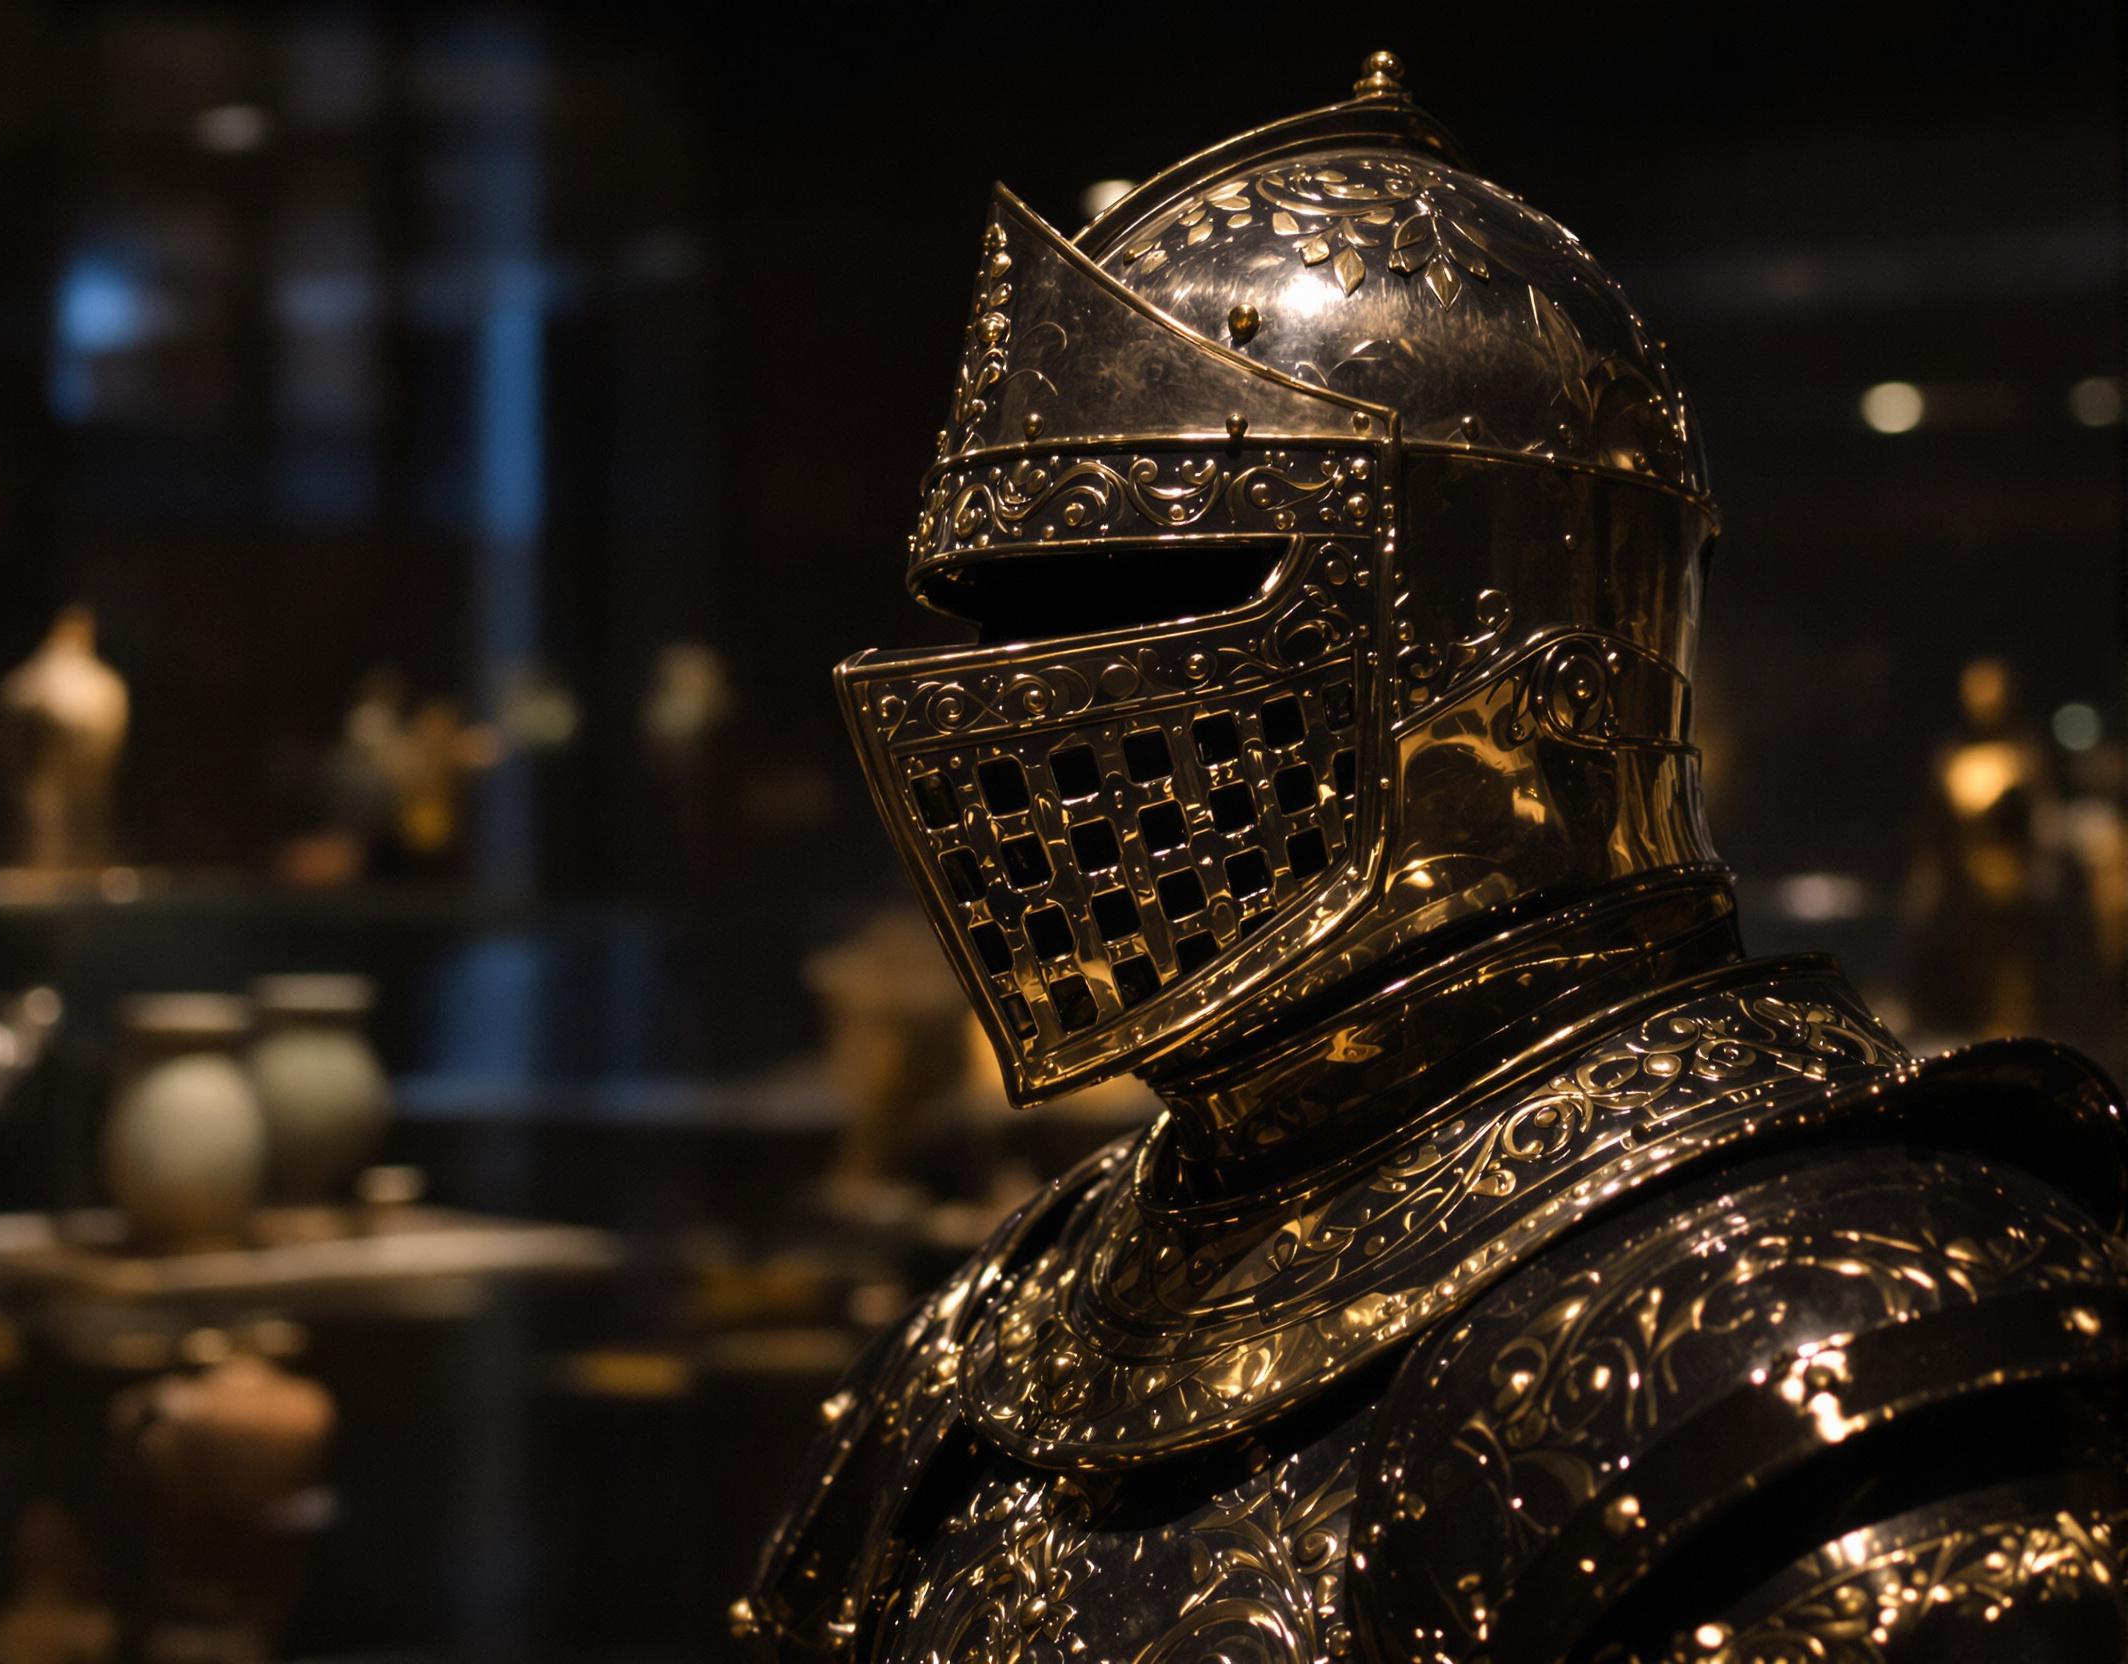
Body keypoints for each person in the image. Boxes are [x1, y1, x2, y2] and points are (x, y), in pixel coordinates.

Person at [738, 54, 2128, 1663]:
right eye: (1013, 617)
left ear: (1531, 667)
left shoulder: (1810, 1314)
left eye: (1152, 593)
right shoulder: (1009, 1333)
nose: (1028, 697)